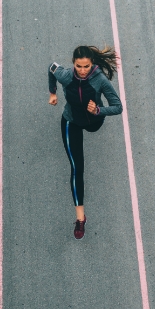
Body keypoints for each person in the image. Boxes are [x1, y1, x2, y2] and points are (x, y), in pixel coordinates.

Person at [48, 45, 122, 239]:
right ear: (73, 64)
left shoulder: (100, 80)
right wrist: (52, 92)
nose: (82, 70)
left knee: (92, 129)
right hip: (71, 121)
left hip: (93, 122)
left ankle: (92, 117)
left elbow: (117, 107)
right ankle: (80, 218)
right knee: (76, 167)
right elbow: (51, 68)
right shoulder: (65, 75)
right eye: (79, 66)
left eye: (86, 66)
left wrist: (98, 110)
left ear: (92, 64)